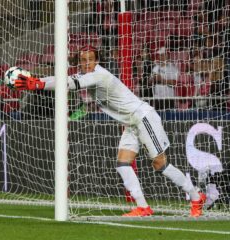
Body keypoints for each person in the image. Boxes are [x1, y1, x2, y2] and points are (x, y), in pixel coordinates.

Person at [13, 45, 206, 217]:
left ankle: (196, 197)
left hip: (143, 117)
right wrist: (36, 81)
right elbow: (66, 79)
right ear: (79, 62)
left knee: (160, 165)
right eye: (83, 60)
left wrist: (37, 84)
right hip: (132, 123)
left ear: (96, 61)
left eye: (90, 59)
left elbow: (69, 83)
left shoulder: (100, 74)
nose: (87, 63)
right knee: (123, 163)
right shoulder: (85, 76)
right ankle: (143, 207)